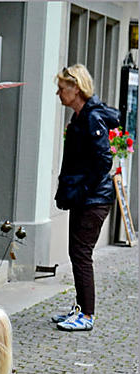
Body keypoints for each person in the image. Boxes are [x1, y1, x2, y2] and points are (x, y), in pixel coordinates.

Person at [52, 64, 120, 332]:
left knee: (81, 254)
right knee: (76, 252)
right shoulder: (80, 117)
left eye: (62, 88)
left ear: (76, 88)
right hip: (84, 198)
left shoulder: (91, 118)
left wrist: (82, 189)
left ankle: (87, 315)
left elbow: (104, 160)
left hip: (94, 200)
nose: (58, 93)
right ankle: (80, 309)